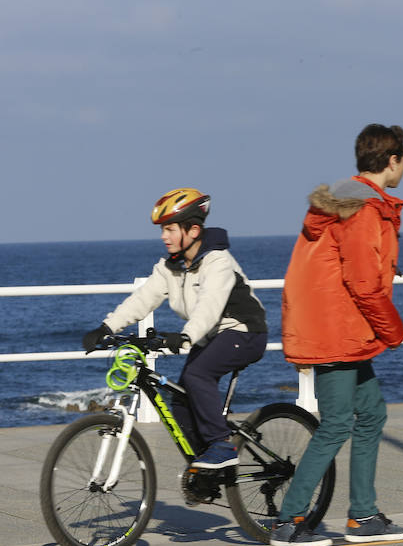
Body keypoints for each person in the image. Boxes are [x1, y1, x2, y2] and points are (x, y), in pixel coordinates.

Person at [269, 124, 403, 546]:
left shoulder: (349, 202)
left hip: (341, 330)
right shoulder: (363, 208)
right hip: (338, 332)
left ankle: (363, 514)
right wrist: (393, 330)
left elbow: (348, 263)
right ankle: (289, 522)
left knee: (371, 414)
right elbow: (362, 282)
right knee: (335, 425)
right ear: (392, 161)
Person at [81, 188, 268, 469]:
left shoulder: (218, 262)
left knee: (197, 375)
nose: (163, 236)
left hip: (244, 332)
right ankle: (204, 468)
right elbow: (143, 299)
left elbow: (209, 306)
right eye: (163, 230)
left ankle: (221, 445)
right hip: (210, 337)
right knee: (180, 401)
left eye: (169, 229)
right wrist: (106, 326)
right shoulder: (171, 267)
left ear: (192, 230)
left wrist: (184, 337)